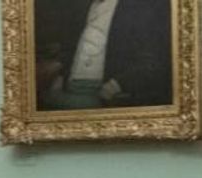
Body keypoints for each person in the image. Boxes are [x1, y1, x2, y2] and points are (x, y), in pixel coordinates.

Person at [35, 0, 173, 110]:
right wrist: (60, 74)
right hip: (69, 86)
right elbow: (72, 47)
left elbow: (153, 61)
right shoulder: (82, 7)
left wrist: (117, 85)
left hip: (104, 93)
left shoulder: (140, 7)